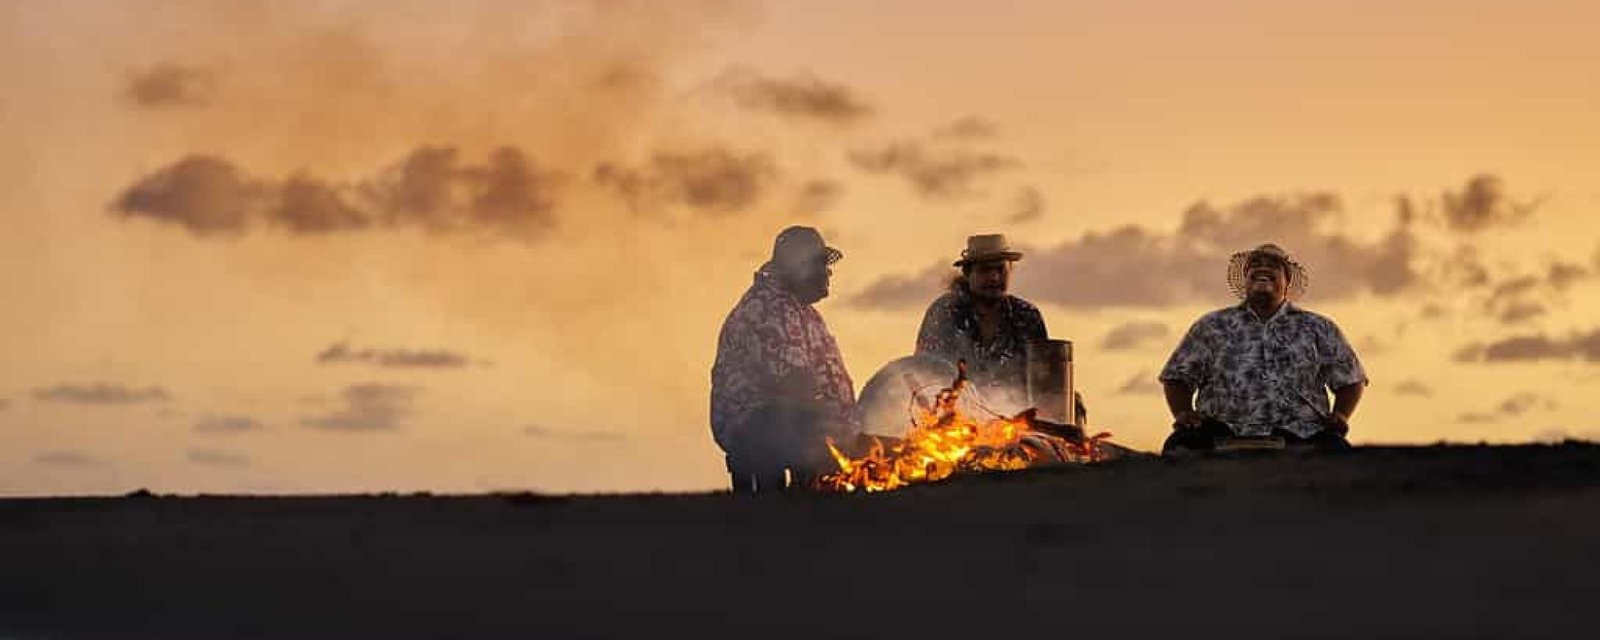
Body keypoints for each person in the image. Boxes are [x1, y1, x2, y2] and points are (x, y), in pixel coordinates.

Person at [1158, 243, 1368, 454]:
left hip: (1302, 433)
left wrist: (1340, 414)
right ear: (1246, 279)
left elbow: (1351, 379)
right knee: (1178, 447)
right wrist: (1184, 413)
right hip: (1220, 432)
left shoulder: (1319, 327)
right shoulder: (1212, 325)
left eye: (1274, 265)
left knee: (1338, 452)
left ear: (1287, 282)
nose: (1262, 268)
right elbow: (1177, 376)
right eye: (1255, 264)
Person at [710, 226, 857, 494]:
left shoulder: (804, 313)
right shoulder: (769, 308)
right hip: (760, 427)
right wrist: (838, 434)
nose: (827, 273)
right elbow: (797, 385)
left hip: (793, 424)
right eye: (820, 265)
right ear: (799, 268)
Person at [915, 234, 1086, 421]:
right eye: (985, 271)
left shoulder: (1027, 315)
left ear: (1010, 270)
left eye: (1000, 270)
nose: (994, 277)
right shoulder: (943, 312)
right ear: (967, 273)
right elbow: (924, 374)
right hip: (955, 424)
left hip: (1016, 426)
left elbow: (1042, 383)